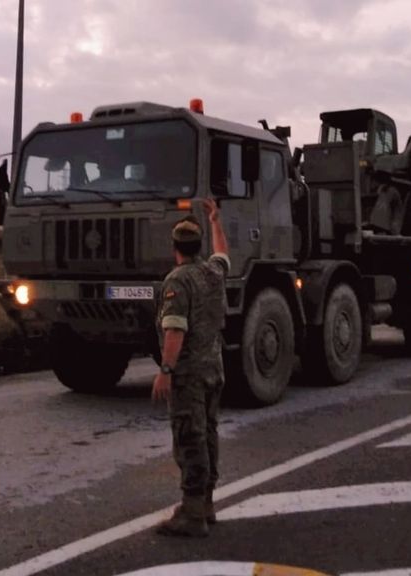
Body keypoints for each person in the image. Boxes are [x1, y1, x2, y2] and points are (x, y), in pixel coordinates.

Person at [152, 198, 229, 538]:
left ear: (175, 248)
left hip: (190, 374)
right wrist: (216, 221)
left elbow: (174, 329)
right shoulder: (212, 272)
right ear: (198, 246)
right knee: (208, 432)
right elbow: (224, 255)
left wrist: (166, 370)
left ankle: (192, 512)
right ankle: (206, 503)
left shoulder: (178, 281)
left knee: (188, 436)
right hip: (214, 368)